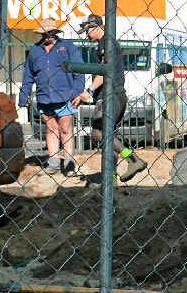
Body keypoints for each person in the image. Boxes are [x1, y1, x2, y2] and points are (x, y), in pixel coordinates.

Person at [77, 14, 147, 182]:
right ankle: (111, 181)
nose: (86, 35)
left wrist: (89, 91)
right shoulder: (105, 44)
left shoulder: (106, 43)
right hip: (115, 95)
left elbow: (104, 72)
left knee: (98, 132)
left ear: (96, 27)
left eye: (87, 31)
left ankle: (132, 159)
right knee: (109, 141)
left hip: (110, 95)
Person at [18, 18, 85, 175]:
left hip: (65, 97)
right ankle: (53, 162)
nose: (47, 36)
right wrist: (23, 96)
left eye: (50, 33)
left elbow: (79, 71)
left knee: (66, 129)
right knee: (51, 129)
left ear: (55, 32)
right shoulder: (35, 50)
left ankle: (69, 164)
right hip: (44, 97)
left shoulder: (67, 47)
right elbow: (28, 75)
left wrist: (76, 92)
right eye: (44, 33)